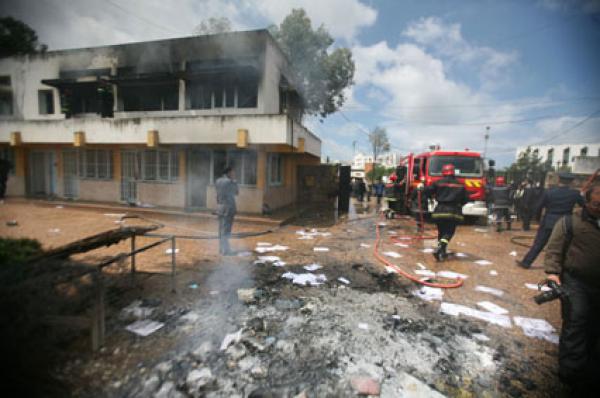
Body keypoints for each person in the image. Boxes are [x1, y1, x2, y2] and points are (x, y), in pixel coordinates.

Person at [543, 183, 600, 390]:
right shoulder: (570, 223)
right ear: (586, 202)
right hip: (576, 281)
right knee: (577, 320)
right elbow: (554, 249)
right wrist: (552, 273)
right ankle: (571, 372)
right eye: (596, 205)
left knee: (594, 325)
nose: (599, 209)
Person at [517, 172, 584, 268]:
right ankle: (564, 266)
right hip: (565, 223)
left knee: (539, 243)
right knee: (565, 246)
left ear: (559, 180)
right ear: (571, 182)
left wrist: (535, 217)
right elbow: (585, 206)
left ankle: (526, 262)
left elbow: (539, 206)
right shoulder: (575, 194)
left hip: (549, 221)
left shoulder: (549, 192)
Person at [422, 164, 469, 261]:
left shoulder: (438, 182)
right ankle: (442, 247)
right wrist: (459, 203)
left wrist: (423, 187)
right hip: (453, 211)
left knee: (441, 231)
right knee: (449, 232)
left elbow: (427, 191)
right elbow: (466, 199)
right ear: (453, 172)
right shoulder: (460, 184)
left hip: (440, 210)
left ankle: (442, 252)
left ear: (443, 172)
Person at [215, 166, 238, 255]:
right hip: (228, 207)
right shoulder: (230, 182)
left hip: (220, 207)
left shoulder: (217, 181)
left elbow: (217, 194)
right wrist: (235, 182)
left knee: (220, 230)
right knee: (226, 230)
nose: (234, 174)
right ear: (228, 173)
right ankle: (226, 250)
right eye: (233, 172)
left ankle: (221, 249)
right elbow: (236, 192)